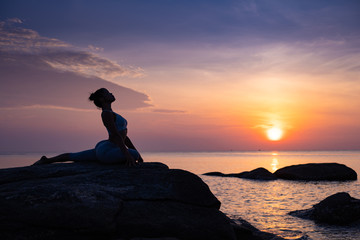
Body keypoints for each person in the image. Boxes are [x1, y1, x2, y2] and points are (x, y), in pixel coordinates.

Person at [33, 88, 143, 166]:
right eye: (107, 92)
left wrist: (135, 153)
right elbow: (116, 135)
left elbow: (124, 137)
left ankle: (46, 161)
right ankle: (46, 161)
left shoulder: (110, 113)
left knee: (74, 156)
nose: (111, 93)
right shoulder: (106, 114)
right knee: (134, 154)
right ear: (102, 99)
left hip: (107, 147)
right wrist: (128, 154)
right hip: (107, 151)